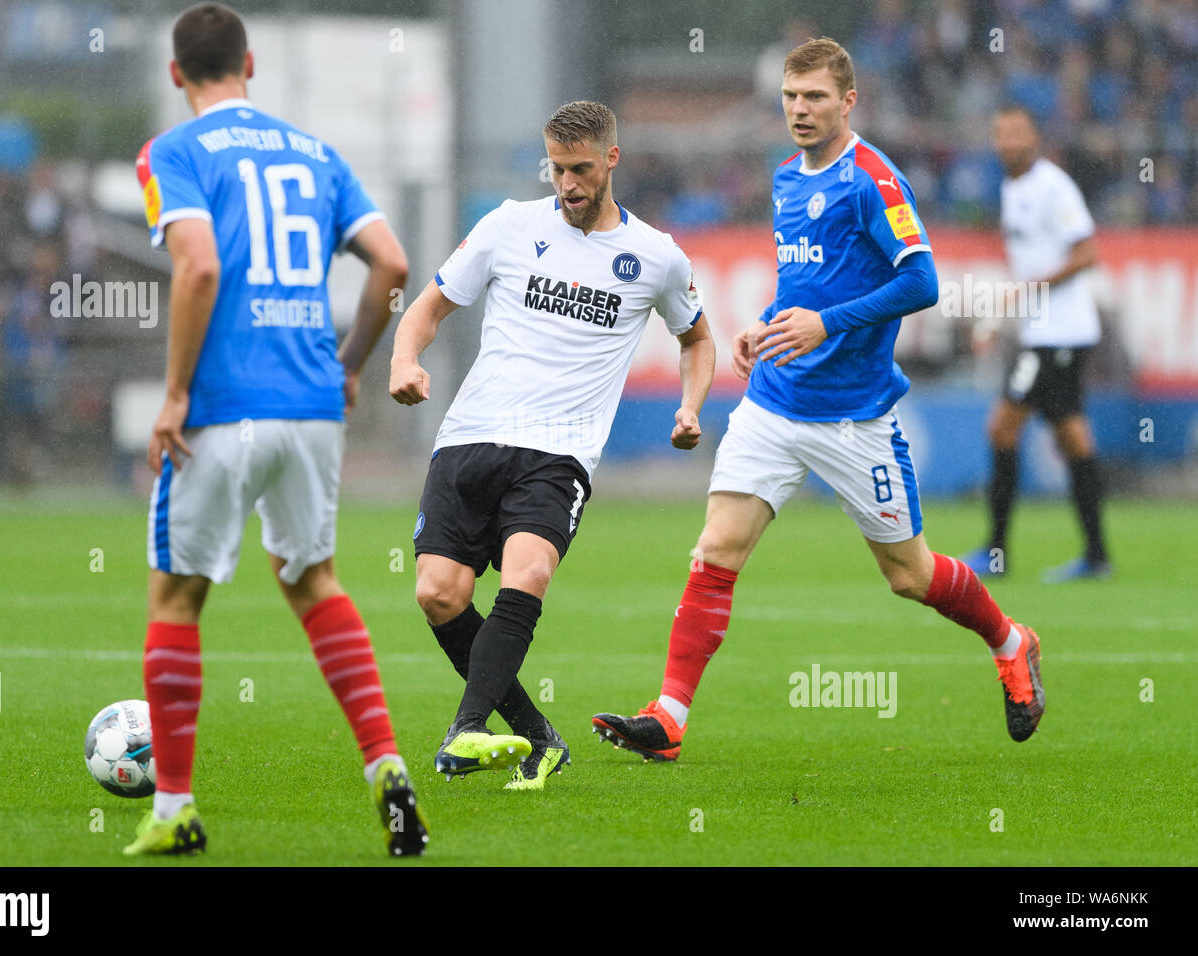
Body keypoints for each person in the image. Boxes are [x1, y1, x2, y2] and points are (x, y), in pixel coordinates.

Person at [593, 38, 1045, 762]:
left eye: (815, 98)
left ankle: (1010, 640)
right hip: (774, 402)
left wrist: (825, 325)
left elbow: (922, 281)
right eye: (790, 97)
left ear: (847, 101)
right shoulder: (783, 179)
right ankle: (670, 716)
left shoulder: (874, 179)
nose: (799, 110)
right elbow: (808, 285)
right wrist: (767, 326)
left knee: (910, 575)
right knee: (716, 549)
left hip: (853, 416)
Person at [127, 2, 426, 857]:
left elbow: (200, 264)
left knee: (178, 598)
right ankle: (384, 769)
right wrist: (350, 365)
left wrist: (176, 393)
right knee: (316, 582)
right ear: (250, 67)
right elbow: (394, 265)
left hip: (224, 406)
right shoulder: (317, 155)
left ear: (177, 74)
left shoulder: (174, 151)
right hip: (310, 407)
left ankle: (175, 807)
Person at [389, 100, 715, 791]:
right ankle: (538, 736)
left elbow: (698, 339)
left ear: (611, 161)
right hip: (472, 437)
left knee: (527, 573)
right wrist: (404, 361)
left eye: (581, 170)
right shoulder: (508, 225)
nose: (567, 184)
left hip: (557, 454)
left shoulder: (655, 256)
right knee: (437, 593)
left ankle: (467, 727)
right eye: (558, 169)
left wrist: (690, 406)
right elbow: (428, 307)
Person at [961, 105, 1111, 582]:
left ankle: (997, 552)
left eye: (1017, 135)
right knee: (1072, 436)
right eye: (1000, 135)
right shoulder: (1012, 188)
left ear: (1035, 138)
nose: (1008, 143)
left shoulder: (1053, 186)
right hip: (1045, 332)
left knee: (1002, 428)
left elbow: (1086, 255)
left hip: (1059, 334)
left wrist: (1029, 291)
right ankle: (1097, 556)